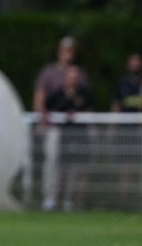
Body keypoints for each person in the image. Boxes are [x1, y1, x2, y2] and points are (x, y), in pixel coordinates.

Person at [32, 36, 90, 212]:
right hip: (54, 126)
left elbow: (86, 101)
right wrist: (43, 120)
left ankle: (68, 199)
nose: (68, 54)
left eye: (71, 51)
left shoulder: (80, 75)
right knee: (52, 162)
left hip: (73, 129)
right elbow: (40, 98)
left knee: (72, 164)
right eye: (65, 50)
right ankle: (49, 198)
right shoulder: (49, 73)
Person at [108, 52, 142, 206]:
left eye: (137, 62)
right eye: (132, 62)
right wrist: (111, 128)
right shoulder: (123, 84)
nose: (135, 65)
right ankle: (124, 200)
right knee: (125, 167)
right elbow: (116, 106)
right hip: (125, 131)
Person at [44, 64, 95, 211]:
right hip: (60, 133)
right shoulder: (57, 94)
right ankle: (51, 198)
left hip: (77, 135)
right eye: (71, 77)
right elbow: (47, 109)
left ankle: (69, 199)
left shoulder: (84, 94)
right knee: (56, 167)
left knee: (73, 168)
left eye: (76, 77)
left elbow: (89, 111)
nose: (73, 80)